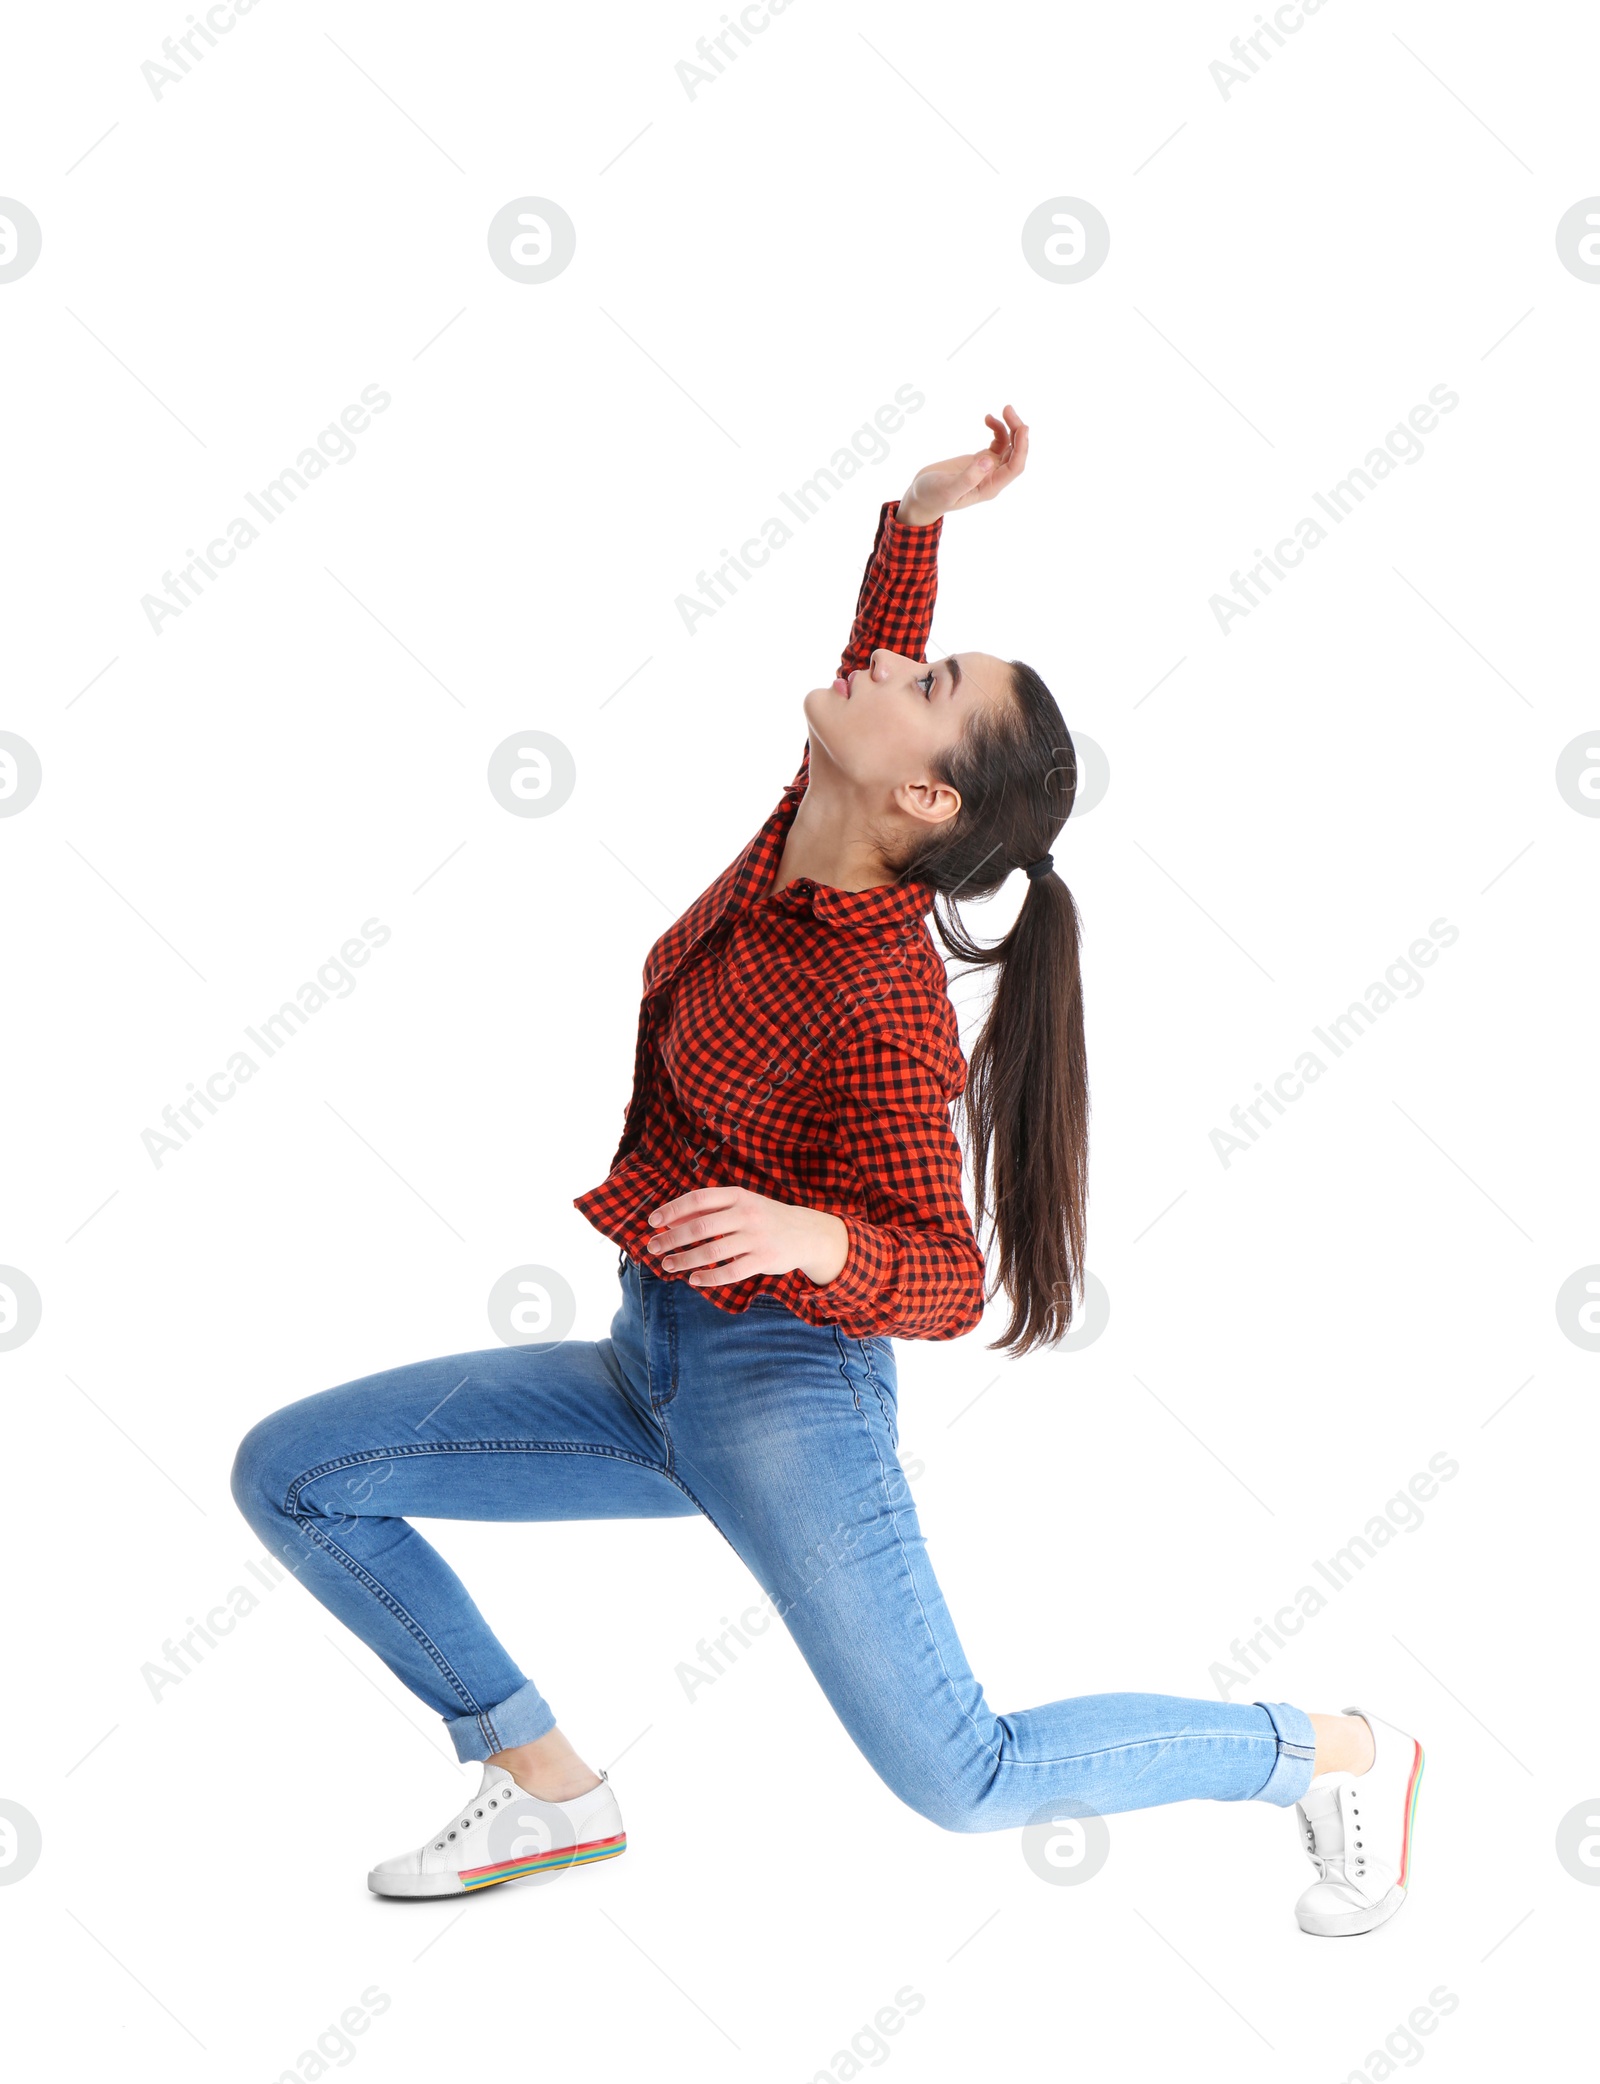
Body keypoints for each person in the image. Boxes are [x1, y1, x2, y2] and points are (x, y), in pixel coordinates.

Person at [231, 405, 1423, 1934]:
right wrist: (922, 519)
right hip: (649, 1362)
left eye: (927, 685)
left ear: (925, 801)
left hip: (789, 1398)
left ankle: (1329, 1756)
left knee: (963, 1779)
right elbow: (865, 674)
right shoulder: (814, 822)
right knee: (299, 1474)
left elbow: (950, 1277)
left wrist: (806, 1234)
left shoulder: (879, 1000)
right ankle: (542, 1784)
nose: (887, 668)